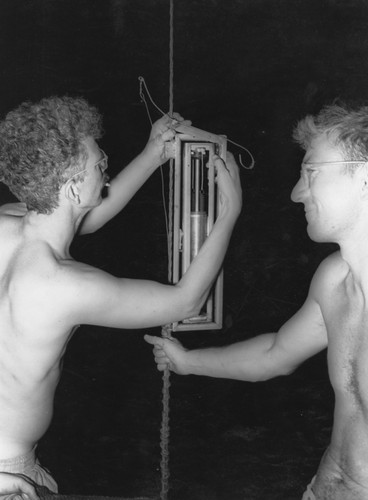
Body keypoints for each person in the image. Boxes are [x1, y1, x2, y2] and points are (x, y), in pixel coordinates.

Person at [0, 96, 242, 498]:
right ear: (74, 186)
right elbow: (185, 301)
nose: (106, 164)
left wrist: (152, 154)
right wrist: (230, 210)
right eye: (99, 164)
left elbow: (80, 219)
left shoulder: (10, 223)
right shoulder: (67, 285)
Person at [145, 102, 368, 500]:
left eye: (311, 172)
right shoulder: (335, 279)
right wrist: (188, 362)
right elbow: (275, 353)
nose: (297, 192)